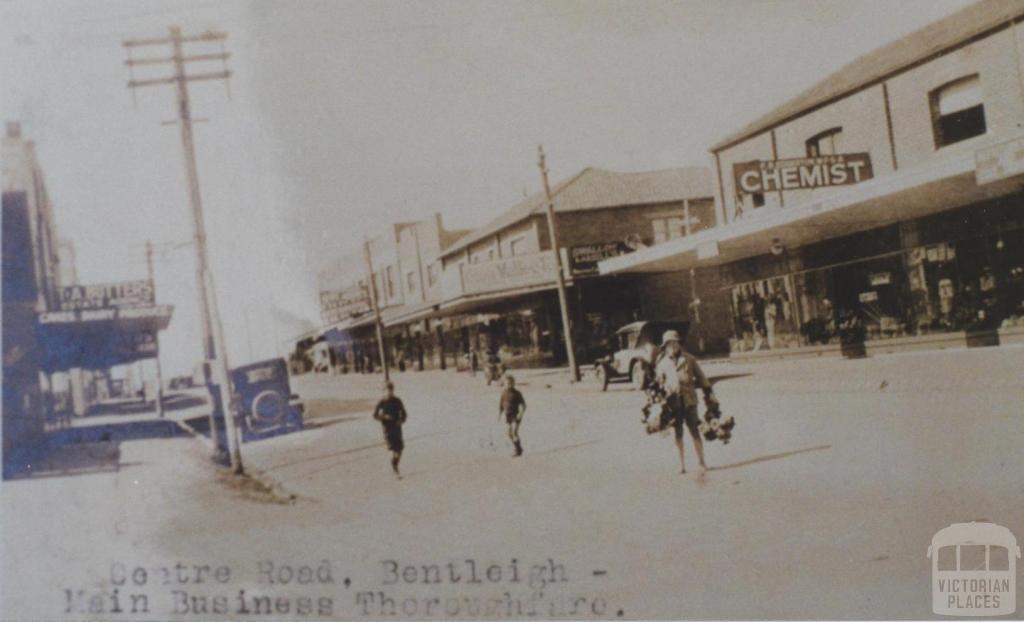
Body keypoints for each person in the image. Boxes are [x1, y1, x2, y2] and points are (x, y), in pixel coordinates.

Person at [654, 330, 717, 475]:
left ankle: (702, 462)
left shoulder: (689, 359)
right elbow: (658, 384)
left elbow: (702, 378)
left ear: (679, 343)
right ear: (665, 346)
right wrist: (658, 397)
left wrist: (709, 393)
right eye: (669, 343)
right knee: (678, 433)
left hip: (689, 401)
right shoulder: (662, 364)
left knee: (695, 431)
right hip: (673, 404)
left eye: (675, 342)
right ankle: (681, 464)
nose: (673, 346)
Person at [372, 381, 407, 478]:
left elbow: (404, 414)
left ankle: (394, 464)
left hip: (397, 427)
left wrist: (401, 420)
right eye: (387, 390)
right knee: (392, 448)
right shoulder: (381, 402)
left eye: (391, 390)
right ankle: (394, 469)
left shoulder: (397, 401)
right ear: (383, 391)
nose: (389, 392)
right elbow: (375, 415)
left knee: (400, 449)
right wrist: (384, 417)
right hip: (387, 428)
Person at [498, 374, 526, 456]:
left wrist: (520, 414)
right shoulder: (503, 393)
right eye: (507, 383)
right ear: (504, 384)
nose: (509, 385)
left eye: (511, 383)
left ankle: (517, 450)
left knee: (514, 432)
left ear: (514, 383)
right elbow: (501, 405)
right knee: (508, 433)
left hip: (516, 415)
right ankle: (518, 447)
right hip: (508, 416)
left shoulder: (517, 393)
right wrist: (499, 415)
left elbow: (524, 405)